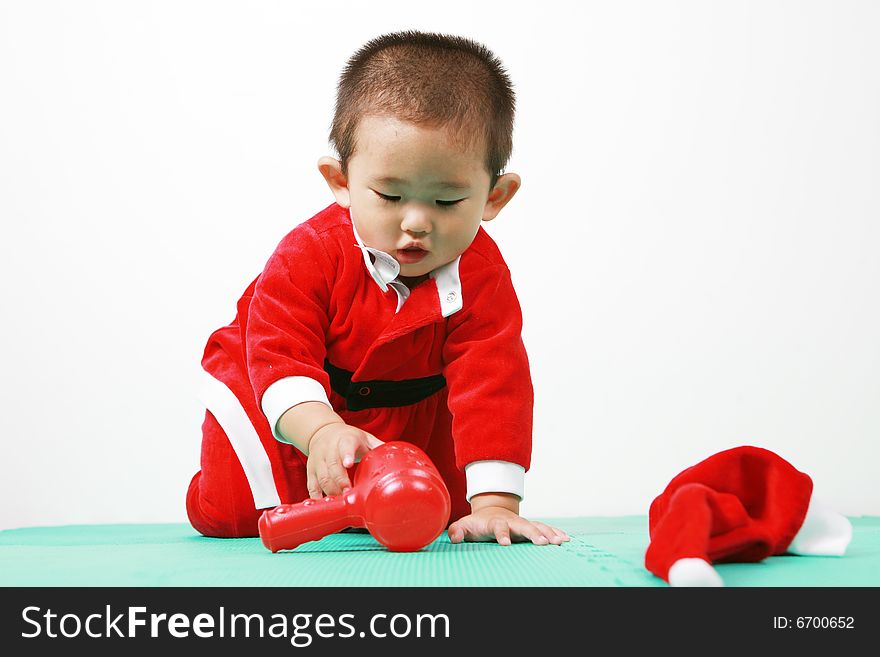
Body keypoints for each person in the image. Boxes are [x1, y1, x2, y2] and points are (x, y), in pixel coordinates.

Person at [186, 30, 570, 548]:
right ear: (340, 180)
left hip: (409, 406)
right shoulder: (309, 253)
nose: (416, 223)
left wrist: (496, 505)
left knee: (440, 517)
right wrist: (320, 431)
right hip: (284, 389)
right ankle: (229, 484)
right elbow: (281, 351)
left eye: (448, 201)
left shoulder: (482, 274)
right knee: (231, 513)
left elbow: (492, 380)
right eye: (389, 195)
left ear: (495, 196)